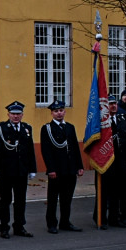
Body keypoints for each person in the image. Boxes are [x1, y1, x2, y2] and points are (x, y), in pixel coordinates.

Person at [0, 101, 36, 238]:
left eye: (18, 114)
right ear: (8, 114)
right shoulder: (0, 128)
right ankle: (4, 227)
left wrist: (32, 169)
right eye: (13, 114)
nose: (16, 116)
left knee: (21, 200)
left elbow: (30, 150)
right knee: (5, 200)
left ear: (22, 115)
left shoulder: (26, 128)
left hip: (21, 171)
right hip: (6, 171)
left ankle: (19, 226)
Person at [39, 99, 84, 234]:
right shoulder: (47, 128)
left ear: (64, 111)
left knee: (67, 198)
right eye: (56, 111)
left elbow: (75, 148)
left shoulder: (70, 127)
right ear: (52, 113)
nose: (59, 113)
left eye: (61, 111)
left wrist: (79, 166)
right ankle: (52, 224)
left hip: (70, 169)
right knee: (53, 198)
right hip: (57, 170)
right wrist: (50, 169)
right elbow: (46, 151)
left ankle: (65, 222)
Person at [97, 95, 126, 228]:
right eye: (110, 104)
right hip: (105, 161)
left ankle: (114, 218)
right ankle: (101, 219)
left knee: (117, 192)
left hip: (119, 162)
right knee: (104, 193)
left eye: (115, 103)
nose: (113, 106)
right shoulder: (101, 123)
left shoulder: (121, 119)